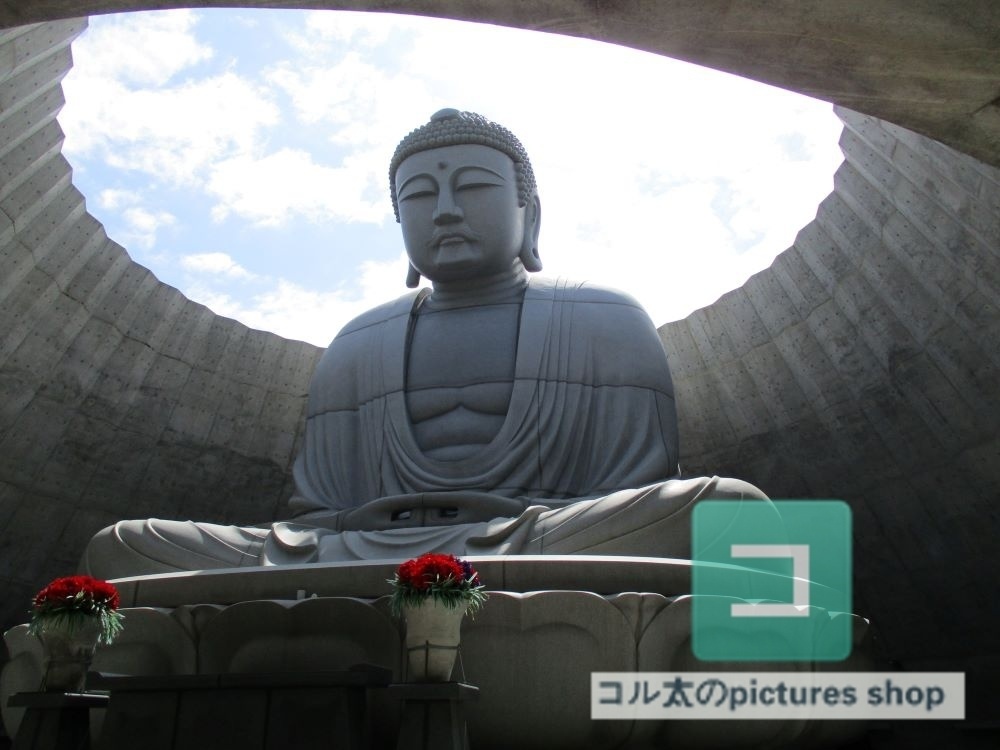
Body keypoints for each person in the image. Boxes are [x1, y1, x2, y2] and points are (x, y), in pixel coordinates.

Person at [82, 109, 766, 578]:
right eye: (418, 196)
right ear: (397, 219)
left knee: (729, 509)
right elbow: (316, 515)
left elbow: (632, 489)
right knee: (123, 546)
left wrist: (513, 531)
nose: (444, 209)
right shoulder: (359, 339)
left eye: (472, 187)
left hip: (541, 542)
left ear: (529, 212)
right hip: (363, 551)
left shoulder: (602, 316)